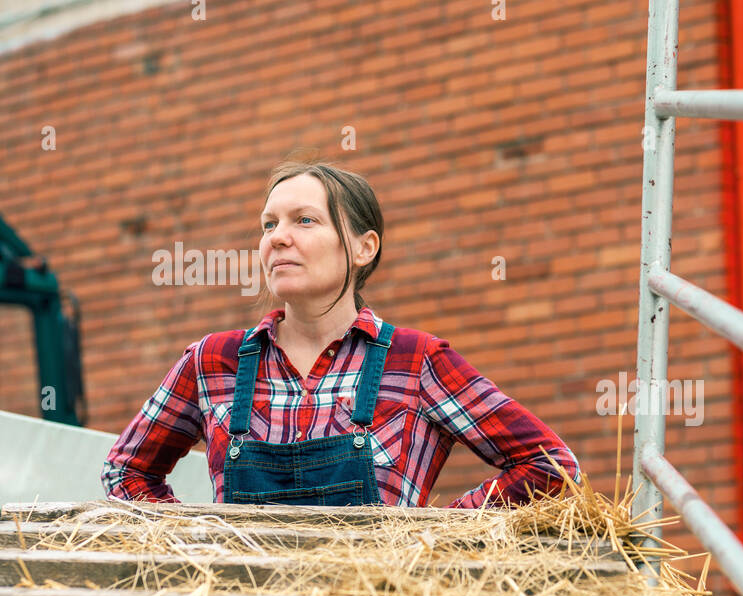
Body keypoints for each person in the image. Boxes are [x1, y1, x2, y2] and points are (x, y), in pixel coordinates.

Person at [102, 158, 582, 507]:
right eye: (269, 225)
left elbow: (553, 469)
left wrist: (438, 539)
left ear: (362, 247)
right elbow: (126, 472)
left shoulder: (415, 361)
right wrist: (194, 550)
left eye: (304, 221)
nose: (277, 237)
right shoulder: (212, 362)